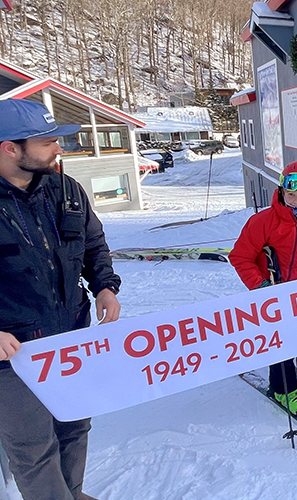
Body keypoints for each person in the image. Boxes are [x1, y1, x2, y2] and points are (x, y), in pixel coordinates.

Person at [0, 99, 122, 500]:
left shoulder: (65, 188)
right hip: (13, 352)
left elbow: (92, 243)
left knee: (74, 425)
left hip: (71, 337)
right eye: (48, 141)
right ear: (10, 147)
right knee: (33, 447)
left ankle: (71, 493)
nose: (59, 149)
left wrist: (104, 285)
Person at [229, 160, 297, 413]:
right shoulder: (263, 222)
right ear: (281, 191)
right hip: (274, 291)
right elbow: (240, 257)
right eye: (291, 194)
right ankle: (283, 388)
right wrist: (260, 285)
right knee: (281, 341)